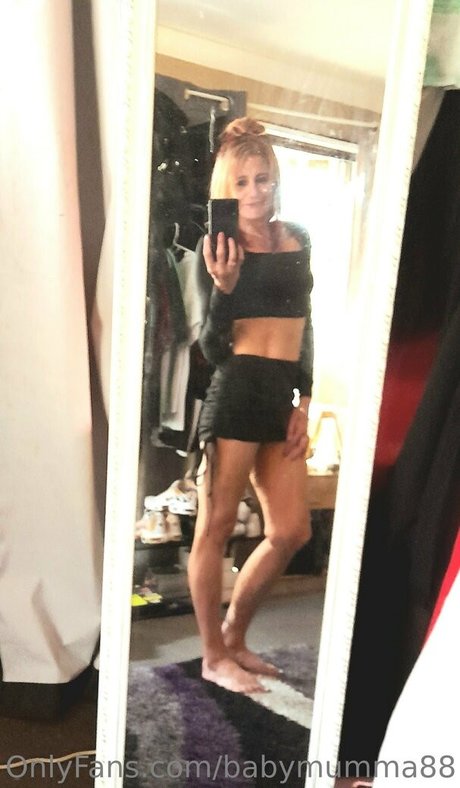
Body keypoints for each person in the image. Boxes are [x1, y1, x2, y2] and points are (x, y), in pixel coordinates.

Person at [188, 117, 314, 694]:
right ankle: (213, 656)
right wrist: (224, 288)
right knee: (215, 527)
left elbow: (307, 325)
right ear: (226, 188)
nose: (255, 191)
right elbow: (212, 350)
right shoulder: (217, 249)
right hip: (237, 391)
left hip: (281, 398)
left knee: (291, 530)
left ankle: (235, 636)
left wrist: (304, 399)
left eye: (263, 178)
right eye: (241, 182)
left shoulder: (298, 238)